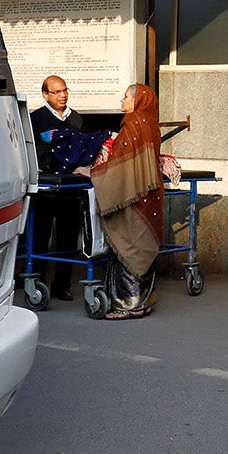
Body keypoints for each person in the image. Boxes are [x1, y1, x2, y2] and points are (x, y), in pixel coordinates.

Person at [80, 84, 166, 320]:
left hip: (132, 197)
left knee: (127, 245)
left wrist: (94, 173)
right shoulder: (151, 124)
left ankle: (129, 304)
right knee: (142, 243)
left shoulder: (132, 124)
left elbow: (121, 165)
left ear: (138, 101)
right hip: (149, 196)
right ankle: (144, 301)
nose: (122, 101)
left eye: (126, 97)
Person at [29, 75, 84, 302]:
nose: (62, 95)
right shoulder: (37, 119)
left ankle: (62, 285)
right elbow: (33, 150)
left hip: (70, 185)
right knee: (41, 235)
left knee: (68, 235)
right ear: (45, 95)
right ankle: (38, 282)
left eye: (64, 90)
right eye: (56, 92)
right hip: (47, 186)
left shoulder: (76, 119)